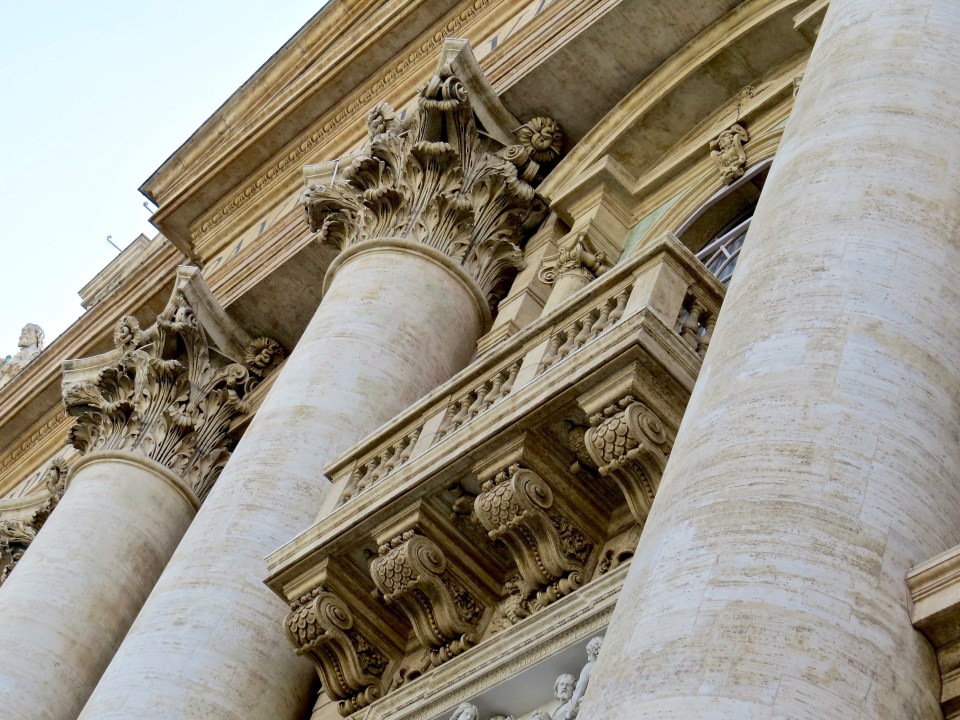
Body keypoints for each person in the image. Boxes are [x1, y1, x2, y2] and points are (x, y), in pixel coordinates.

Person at [0, 324, 44, 389]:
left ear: (38, 337)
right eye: (23, 331)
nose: (24, 333)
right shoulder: (18, 355)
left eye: (29, 331)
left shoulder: (36, 353)